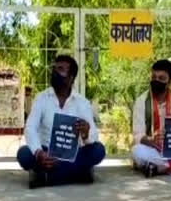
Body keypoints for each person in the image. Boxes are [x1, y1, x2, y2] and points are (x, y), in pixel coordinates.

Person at [17, 54, 105, 188]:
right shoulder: (42, 98)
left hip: (74, 153)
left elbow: (93, 136)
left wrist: (86, 134)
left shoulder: (82, 102)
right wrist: (40, 153)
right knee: (24, 154)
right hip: (47, 153)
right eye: (55, 69)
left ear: (71, 78)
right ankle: (78, 173)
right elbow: (30, 127)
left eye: (61, 70)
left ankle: (47, 176)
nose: (55, 73)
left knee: (99, 150)